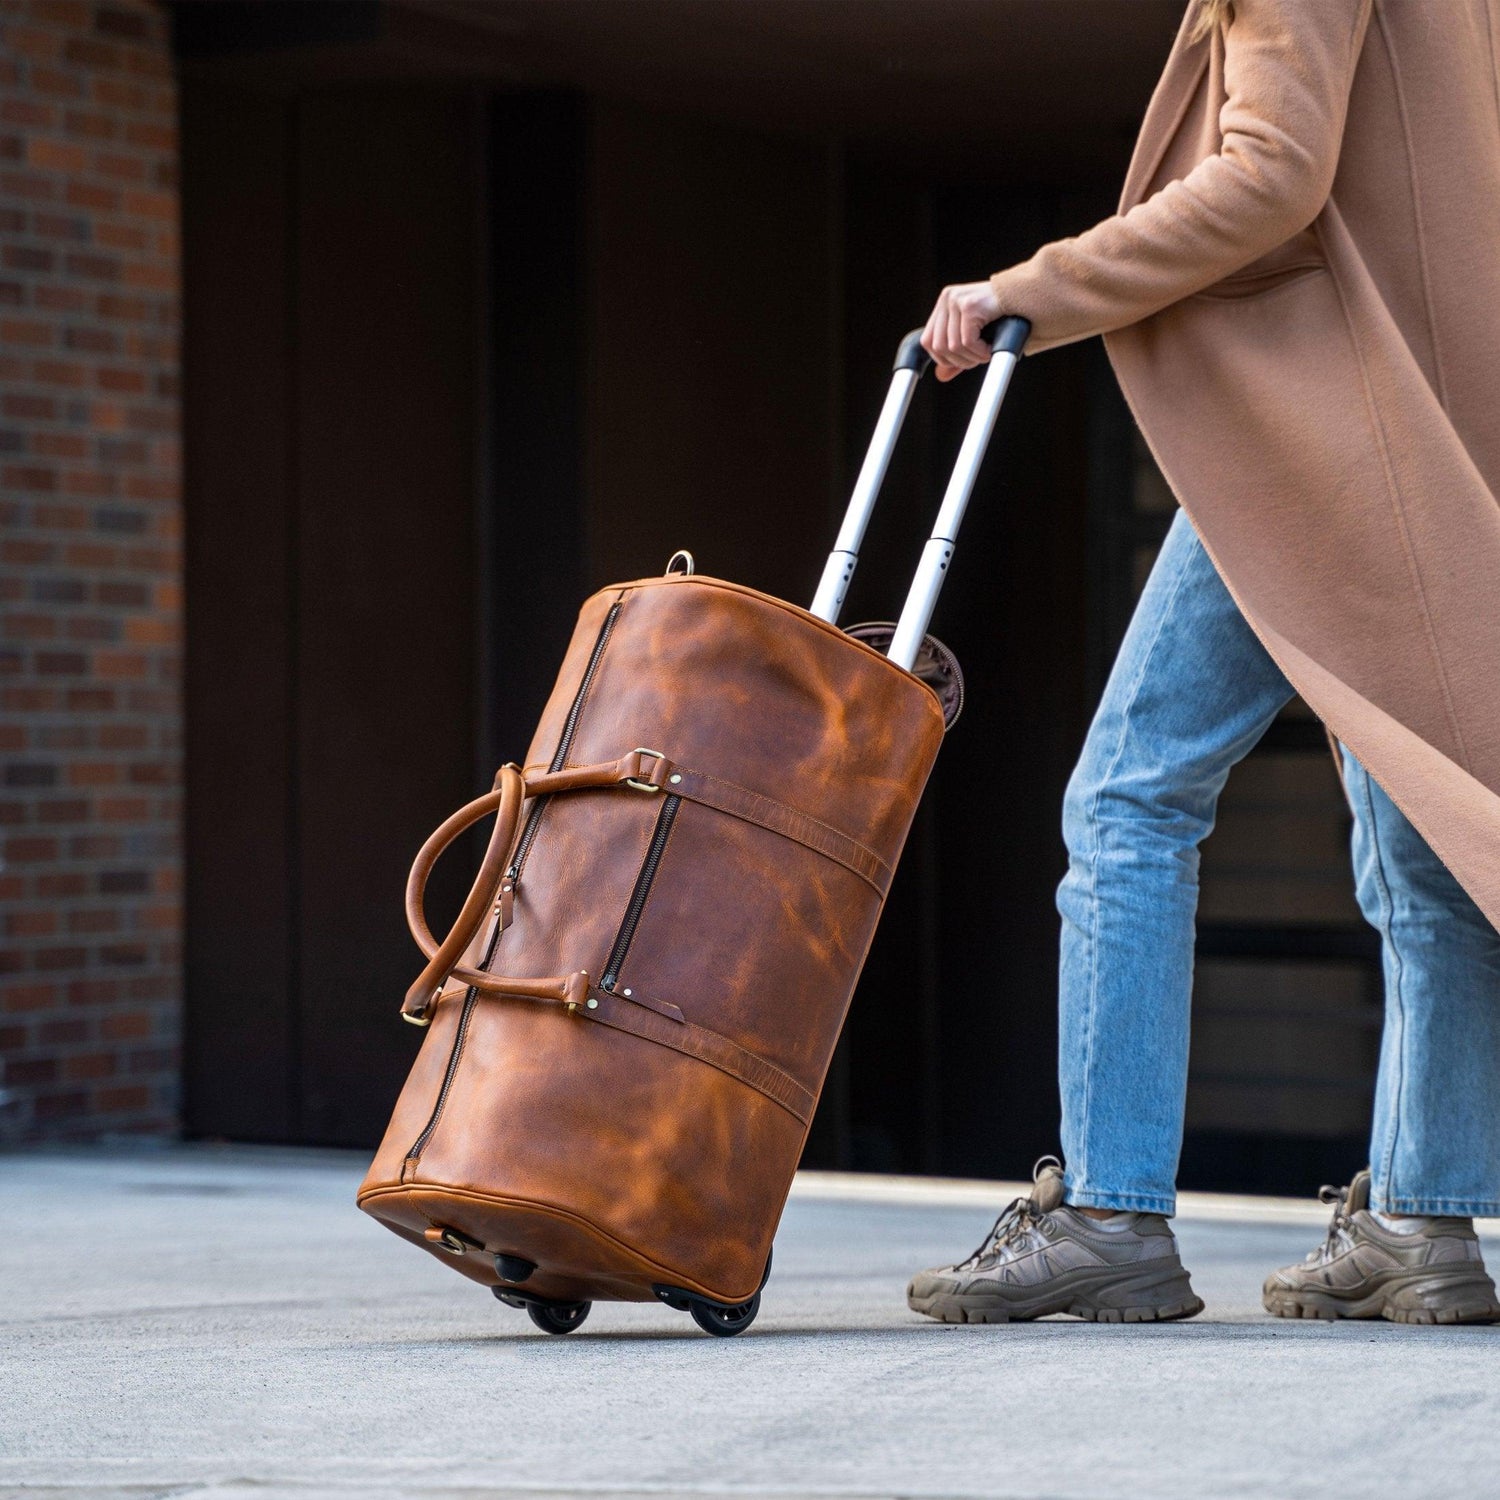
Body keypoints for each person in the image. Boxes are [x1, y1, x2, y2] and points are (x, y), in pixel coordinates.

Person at [907, 0, 1500, 1325]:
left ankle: (1112, 1210)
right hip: (1425, 421)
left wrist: (1028, 290)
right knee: (1417, 835)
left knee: (1130, 793)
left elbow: (1271, 174)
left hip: (1319, 422)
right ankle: (1424, 1220)